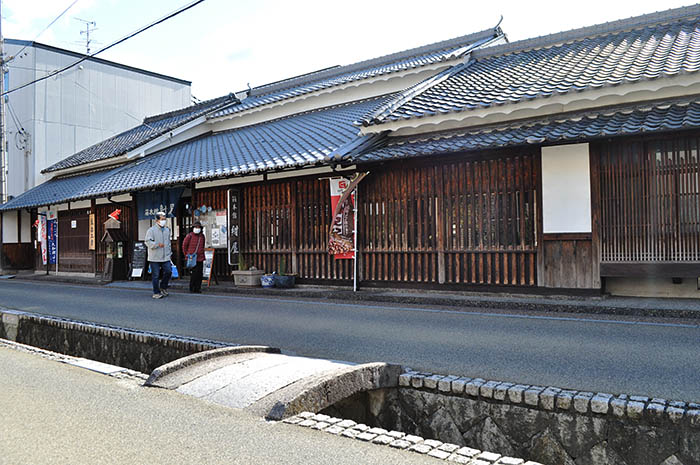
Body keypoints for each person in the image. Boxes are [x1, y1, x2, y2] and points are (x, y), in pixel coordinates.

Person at [145, 211, 172, 299]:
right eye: (162, 219)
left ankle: (163, 287)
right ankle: (156, 292)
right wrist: (156, 244)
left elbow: (168, 243)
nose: (164, 221)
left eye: (165, 219)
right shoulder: (151, 230)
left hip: (166, 256)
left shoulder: (167, 230)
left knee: (168, 271)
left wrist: (170, 253)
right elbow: (147, 242)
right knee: (155, 275)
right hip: (154, 257)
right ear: (157, 220)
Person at [182, 221, 205, 293]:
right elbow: (184, 246)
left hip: (200, 257)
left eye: (198, 227)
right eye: (195, 227)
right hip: (192, 257)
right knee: (194, 274)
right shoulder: (189, 236)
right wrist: (187, 254)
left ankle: (198, 288)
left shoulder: (202, 236)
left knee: (200, 274)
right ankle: (192, 288)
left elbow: (203, 246)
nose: (197, 228)